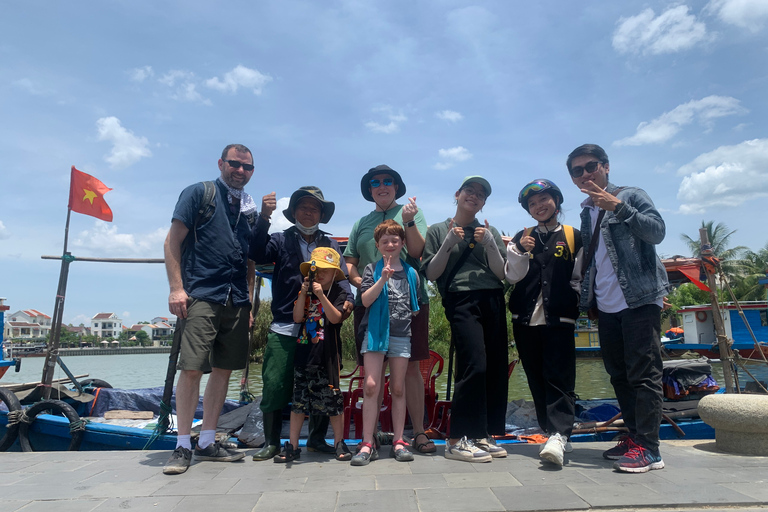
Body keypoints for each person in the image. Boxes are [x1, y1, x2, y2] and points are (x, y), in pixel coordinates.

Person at [567, 143, 669, 473]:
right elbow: (595, 260)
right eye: (577, 171)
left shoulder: (631, 195)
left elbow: (657, 232)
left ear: (606, 167)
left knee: (644, 373)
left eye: (591, 166)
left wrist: (618, 207)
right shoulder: (585, 212)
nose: (585, 174)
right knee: (619, 374)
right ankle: (635, 436)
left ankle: (650, 449)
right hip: (607, 306)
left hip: (639, 298)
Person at [162, 143, 257, 474]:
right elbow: (172, 241)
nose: (240, 171)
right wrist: (176, 288)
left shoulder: (248, 210)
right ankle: (182, 444)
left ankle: (206, 441)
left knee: (223, 370)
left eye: (247, 167)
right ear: (221, 163)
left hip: (236, 300)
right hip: (202, 293)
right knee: (191, 369)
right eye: (235, 164)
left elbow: (249, 260)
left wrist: (248, 300)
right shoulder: (199, 194)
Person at [249, 186, 353, 461]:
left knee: (321, 383)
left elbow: (342, 278)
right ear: (294, 212)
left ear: (321, 213)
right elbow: (257, 252)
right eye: (303, 207)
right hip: (286, 324)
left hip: (320, 330)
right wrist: (264, 217)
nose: (309, 212)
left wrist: (349, 300)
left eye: (314, 208)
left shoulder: (331, 246)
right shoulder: (280, 239)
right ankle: (272, 441)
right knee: (274, 383)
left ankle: (317, 439)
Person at [344, 165, 435, 454]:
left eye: (388, 181)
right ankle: (370, 436)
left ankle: (417, 432)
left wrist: (408, 222)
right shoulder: (361, 223)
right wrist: (362, 284)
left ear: (397, 187)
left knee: (410, 370)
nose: (382, 186)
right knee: (370, 375)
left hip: (409, 305)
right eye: (375, 182)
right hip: (370, 304)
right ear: (369, 190)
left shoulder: (412, 213)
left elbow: (420, 252)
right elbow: (350, 260)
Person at [422, 176, 508, 463]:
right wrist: (449, 241)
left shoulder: (489, 230)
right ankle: (457, 438)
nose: (474, 196)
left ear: (484, 203)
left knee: (495, 365)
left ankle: (484, 434)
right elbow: (432, 274)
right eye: (469, 190)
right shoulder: (437, 230)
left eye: (481, 194)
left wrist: (491, 243)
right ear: (457, 194)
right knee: (474, 363)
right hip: (461, 299)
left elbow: (503, 273)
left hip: (494, 296)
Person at [505, 179, 583, 467]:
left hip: (559, 318)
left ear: (557, 202)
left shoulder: (573, 236)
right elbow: (511, 277)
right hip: (524, 320)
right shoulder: (520, 237)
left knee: (560, 378)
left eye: (544, 200)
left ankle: (560, 434)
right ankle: (553, 432)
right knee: (536, 378)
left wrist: (574, 305)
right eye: (533, 203)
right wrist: (519, 251)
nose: (539, 206)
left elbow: (580, 278)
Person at [352, 220, 420, 466]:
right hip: (375, 333)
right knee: (371, 386)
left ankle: (399, 440)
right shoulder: (371, 269)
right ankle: (367, 442)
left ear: (402, 243)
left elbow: (415, 307)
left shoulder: (412, 273)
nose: (390, 244)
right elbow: (366, 301)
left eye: (395, 240)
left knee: (398, 388)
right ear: (378, 245)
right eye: (385, 241)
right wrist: (382, 279)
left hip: (401, 334)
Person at [275, 247, 352, 463]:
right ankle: (292, 445)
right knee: (298, 403)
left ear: (335, 273)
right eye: (315, 271)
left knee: (334, 403)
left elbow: (336, 318)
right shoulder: (305, 292)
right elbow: (298, 317)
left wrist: (320, 294)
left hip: (327, 358)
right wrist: (304, 293)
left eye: (324, 271)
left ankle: (339, 442)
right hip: (304, 355)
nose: (318, 275)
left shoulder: (339, 292)